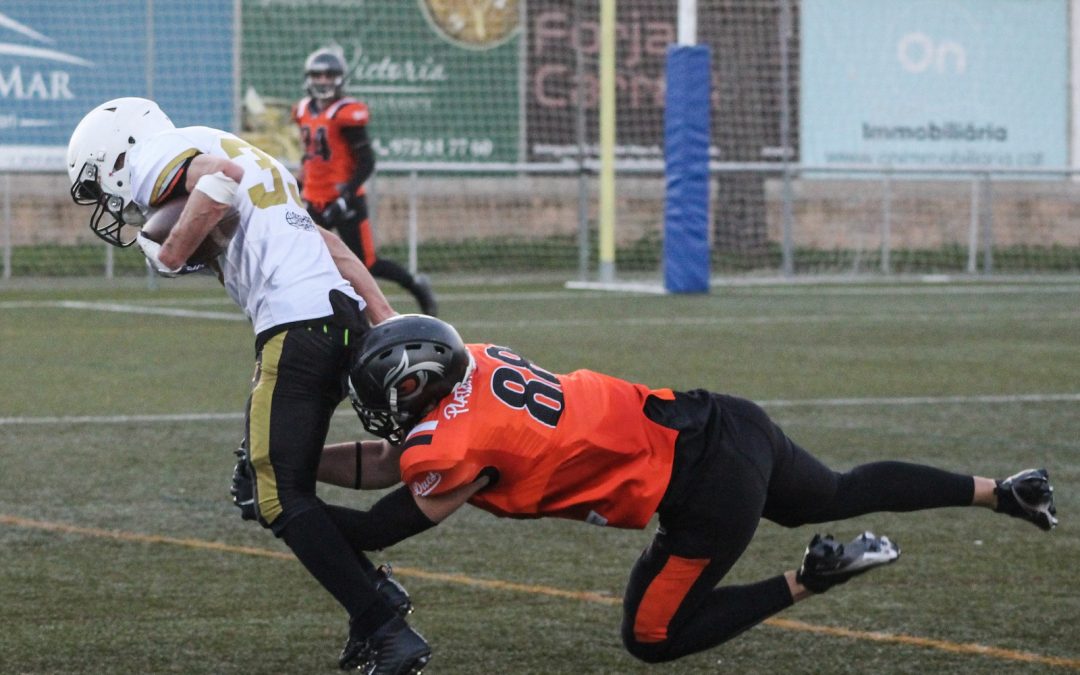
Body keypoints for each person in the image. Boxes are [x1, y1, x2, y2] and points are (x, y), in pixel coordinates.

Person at [313, 314, 1058, 669]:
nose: (383, 408)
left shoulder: (455, 441)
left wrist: (298, 513)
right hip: (722, 418)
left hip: (703, 488)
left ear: (417, 381)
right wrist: (304, 466)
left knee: (653, 636)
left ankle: (811, 575)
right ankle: (1004, 491)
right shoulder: (476, 364)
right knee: (837, 487)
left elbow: (387, 521)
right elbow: (392, 461)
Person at [65, 97, 431, 674]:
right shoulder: (240, 148)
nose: (112, 201)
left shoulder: (162, 155)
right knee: (260, 478)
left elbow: (221, 180)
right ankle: (372, 607)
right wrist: (383, 315)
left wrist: (172, 253)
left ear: (117, 153)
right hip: (339, 315)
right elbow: (329, 244)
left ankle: (384, 622)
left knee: (275, 492)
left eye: (101, 182)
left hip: (297, 324)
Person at [293, 47, 438, 317]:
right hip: (314, 197)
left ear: (339, 78)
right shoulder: (302, 110)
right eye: (318, 75)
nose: (323, 81)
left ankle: (416, 286)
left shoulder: (347, 113)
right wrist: (299, 186)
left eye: (329, 75)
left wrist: (344, 198)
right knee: (305, 257)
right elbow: (311, 155)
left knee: (366, 264)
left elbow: (366, 161)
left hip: (344, 198)